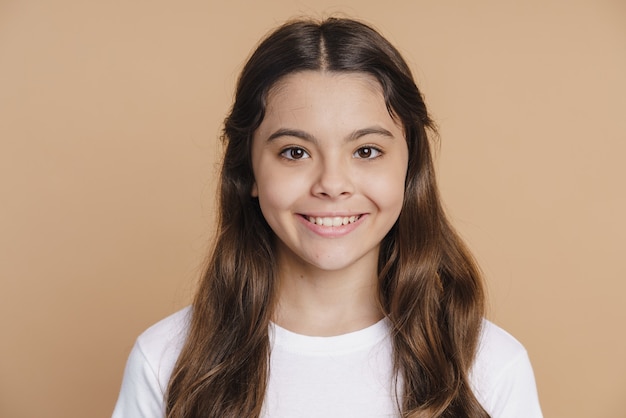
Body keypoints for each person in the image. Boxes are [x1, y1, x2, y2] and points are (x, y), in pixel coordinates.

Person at [112, 17, 543, 418]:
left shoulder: (489, 367)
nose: (332, 184)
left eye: (366, 151)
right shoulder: (165, 360)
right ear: (250, 172)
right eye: (295, 152)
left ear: (410, 168)